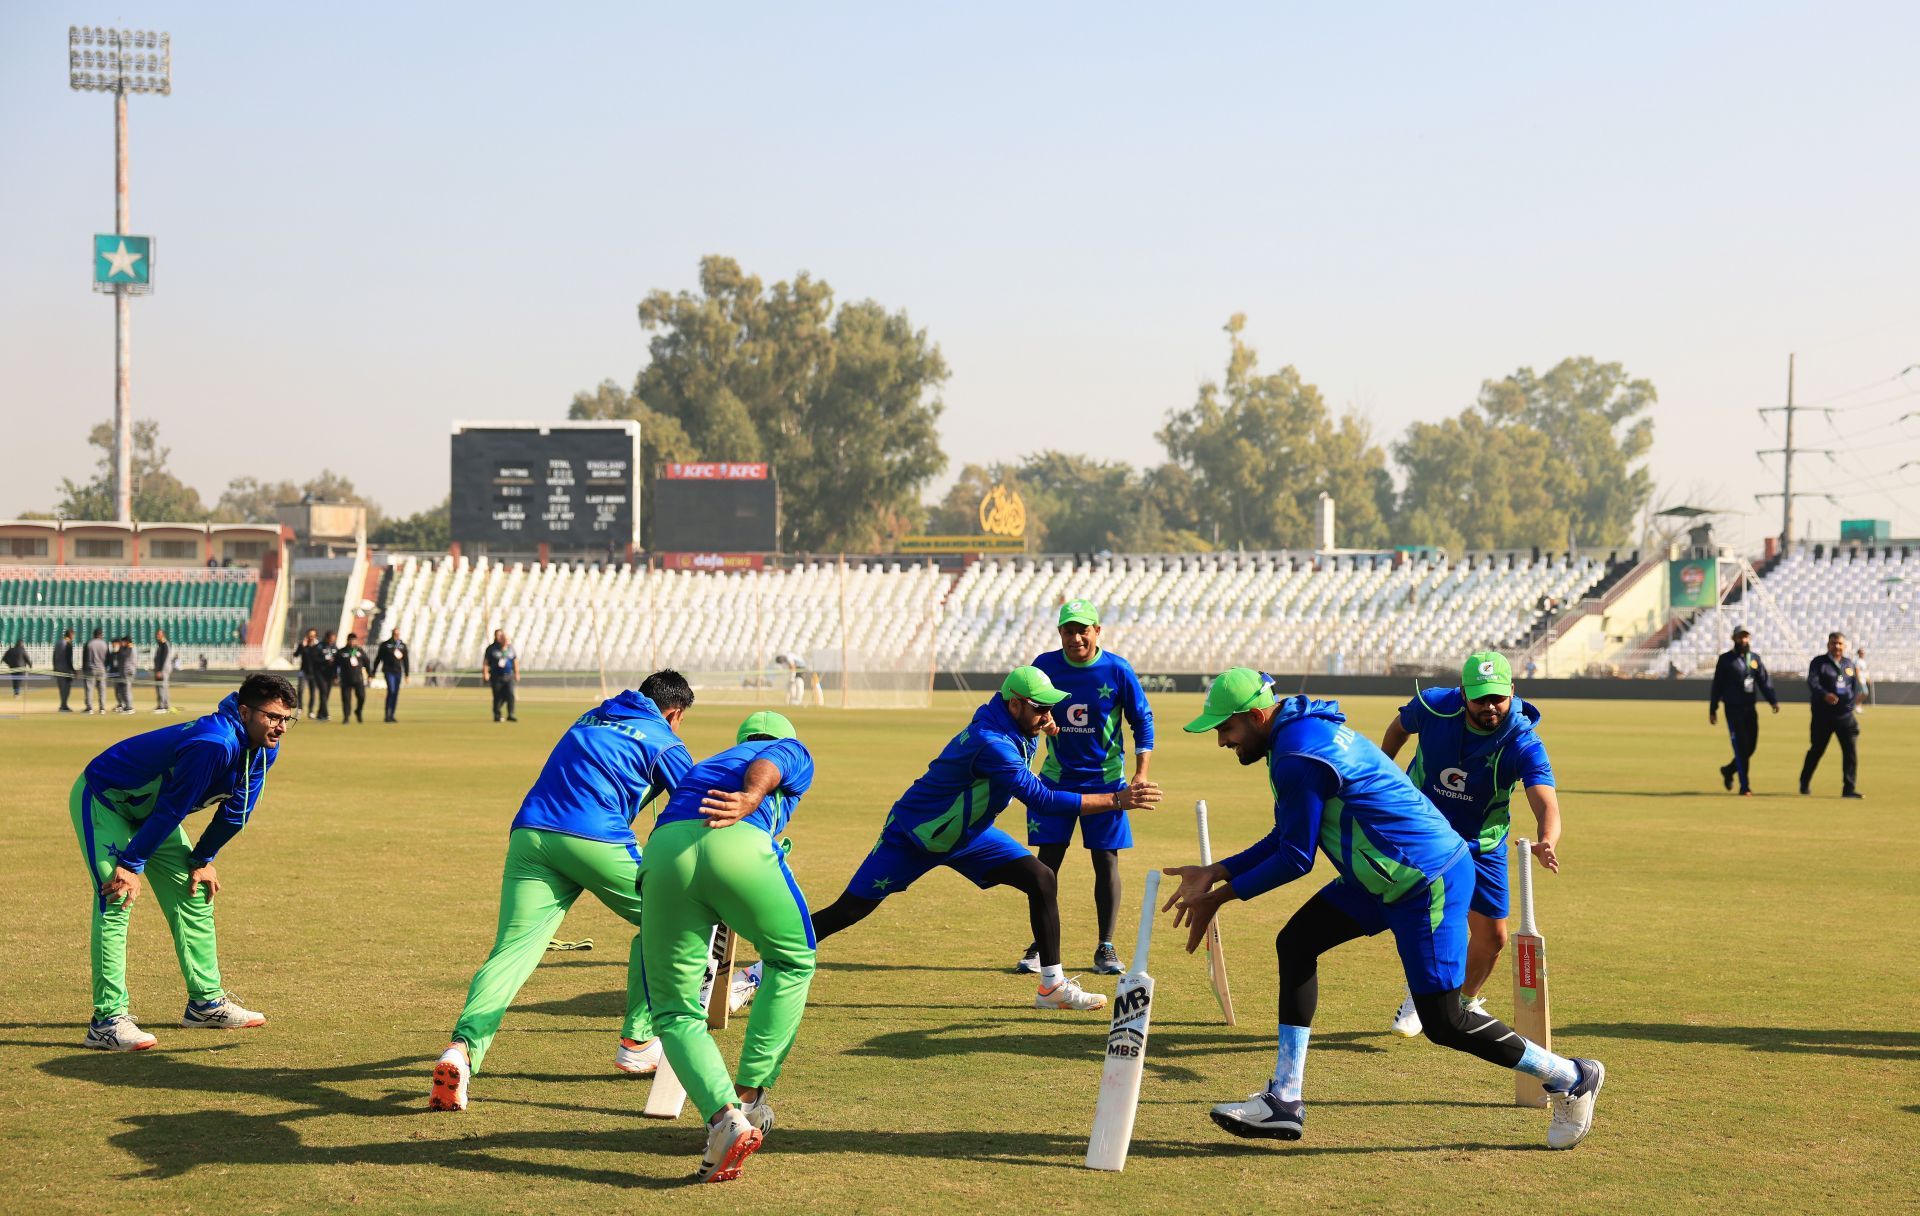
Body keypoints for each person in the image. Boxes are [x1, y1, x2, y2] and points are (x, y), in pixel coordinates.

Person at [1163, 668, 1604, 1150]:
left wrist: (1218, 900)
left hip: (1424, 879)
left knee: (1444, 1021)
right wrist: (1219, 870)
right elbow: (1289, 835)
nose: (1222, 741)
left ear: (1254, 716)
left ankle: (1572, 1076)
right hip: (1380, 876)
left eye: (1225, 729)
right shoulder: (1298, 735)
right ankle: (1285, 1100)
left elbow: (1295, 859)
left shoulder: (1296, 753)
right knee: (1297, 941)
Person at [807, 666, 1161, 1013]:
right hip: (916, 835)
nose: (1047, 715)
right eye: (1040, 708)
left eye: (1050, 707)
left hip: (968, 834)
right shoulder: (991, 743)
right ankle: (760, 972)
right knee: (847, 910)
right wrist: (1118, 800)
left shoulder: (1010, 720)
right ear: (1015, 705)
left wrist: (1041, 724)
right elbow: (1043, 800)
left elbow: (1026, 734)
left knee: (1041, 878)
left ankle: (1051, 986)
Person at [430, 671, 697, 1113]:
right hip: (594, 839)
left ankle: (460, 1050)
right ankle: (638, 1039)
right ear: (674, 713)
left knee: (511, 953)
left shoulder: (591, 716)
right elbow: (693, 800)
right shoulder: (663, 739)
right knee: (667, 920)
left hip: (530, 835)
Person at [70, 672, 298, 1050]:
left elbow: (236, 812)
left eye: (287, 719)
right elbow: (175, 806)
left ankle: (205, 1004)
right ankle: (106, 1022)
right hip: (106, 798)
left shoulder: (263, 747)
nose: (281, 728)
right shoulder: (215, 743)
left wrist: (202, 858)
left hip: (153, 814)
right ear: (244, 711)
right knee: (117, 896)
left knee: (194, 895)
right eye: (273, 717)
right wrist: (131, 864)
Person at [640, 710, 818, 1183]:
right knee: (792, 960)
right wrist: (752, 796)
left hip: (663, 854)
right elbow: (774, 761)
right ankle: (749, 1098)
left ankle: (724, 1121)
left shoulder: (709, 762)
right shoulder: (788, 749)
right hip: (739, 845)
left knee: (675, 1011)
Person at [1377, 651, 1559, 1037]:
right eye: (1480, 698)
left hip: (1482, 842)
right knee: (1432, 917)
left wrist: (1547, 839)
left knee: (1493, 937)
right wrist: (1379, 771)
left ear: (1512, 691)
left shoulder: (1523, 741)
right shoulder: (1433, 706)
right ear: (1463, 694)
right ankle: (1422, 993)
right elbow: (1398, 729)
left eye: (1497, 697)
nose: (1489, 706)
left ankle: (1460, 1001)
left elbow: (1545, 800)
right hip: (1423, 830)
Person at [1016, 599, 1154, 976]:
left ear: (1097, 631)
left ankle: (1106, 946)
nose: (1075, 637)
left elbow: (1142, 721)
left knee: (1106, 860)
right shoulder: (1044, 666)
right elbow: (1025, 711)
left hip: (1106, 780)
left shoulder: (1117, 669)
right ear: (1059, 632)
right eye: (1068, 630)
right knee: (1045, 865)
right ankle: (1040, 946)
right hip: (1057, 780)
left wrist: (1141, 773)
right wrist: (1043, 722)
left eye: (1083, 630)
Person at [1708, 625, 1779, 796]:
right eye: (1740, 637)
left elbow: (1763, 681)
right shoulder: (1725, 659)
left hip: (1750, 708)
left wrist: (1772, 700)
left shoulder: (1754, 658)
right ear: (1734, 639)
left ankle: (1728, 770)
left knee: (1751, 747)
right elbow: (1717, 685)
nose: (1744, 640)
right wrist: (1713, 708)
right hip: (1733, 709)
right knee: (1740, 747)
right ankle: (1744, 786)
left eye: (1746, 637)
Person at [1800, 631, 1863, 798]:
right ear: (1828, 645)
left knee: (1850, 752)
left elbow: (1854, 687)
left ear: (1845, 646)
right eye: (1834, 643)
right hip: (1823, 716)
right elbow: (1812, 682)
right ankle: (1804, 781)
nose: (1837, 646)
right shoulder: (1819, 663)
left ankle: (1849, 789)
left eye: (1840, 643)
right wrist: (1824, 694)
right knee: (1817, 750)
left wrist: (1850, 707)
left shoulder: (1848, 664)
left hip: (1845, 717)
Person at [373, 627, 411, 722]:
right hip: (388, 671)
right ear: (392, 634)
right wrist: (373, 672)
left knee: (395, 693)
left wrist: (407, 674)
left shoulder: (402, 646)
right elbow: (378, 659)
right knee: (391, 690)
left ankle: (392, 715)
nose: (396, 636)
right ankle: (387, 714)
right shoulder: (385, 645)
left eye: (398, 634)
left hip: (398, 671)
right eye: (395, 634)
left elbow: (406, 661)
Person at [334, 632, 370, 725]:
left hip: (358, 679)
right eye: (351, 640)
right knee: (346, 699)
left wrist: (370, 674)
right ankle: (346, 717)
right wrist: (335, 677)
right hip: (345, 679)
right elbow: (335, 665)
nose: (352, 642)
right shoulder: (341, 652)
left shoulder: (360, 651)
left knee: (362, 697)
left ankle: (358, 711)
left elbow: (367, 662)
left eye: (354, 640)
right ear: (348, 641)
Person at [483, 629, 518, 722]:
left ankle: (511, 714)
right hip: (496, 676)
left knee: (510, 694)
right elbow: (486, 662)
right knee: (498, 696)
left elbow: (515, 661)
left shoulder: (511, 648)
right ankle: (497, 715)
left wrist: (516, 673)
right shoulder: (491, 648)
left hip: (508, 676)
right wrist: (485, 673)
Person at [312, 630, 339, 721]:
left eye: (333, 639)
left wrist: (336, 675)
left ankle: (320, 714)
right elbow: (314, 659)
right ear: (327, 638)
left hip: (330, 674)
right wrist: (325, 660)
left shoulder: (334, 647)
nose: (332, 641)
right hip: (320, 673)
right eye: (331, 639)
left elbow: (337, 659)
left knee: (326, 694)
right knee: (323, 692)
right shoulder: (319, 646)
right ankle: (326, 714)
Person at [293, 628, 321, 716]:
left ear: (315, 636)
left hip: (314, 673)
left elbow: (317, 656)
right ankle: (300, 709)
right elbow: (296, 655)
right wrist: (303, 646)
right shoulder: (303, 644)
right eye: (309, 635)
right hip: (303, 672)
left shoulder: (318, 646)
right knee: (300, 691)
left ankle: (311, 711)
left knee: (313, 692)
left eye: (312, 635)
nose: (311, 637)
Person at [83, 627, 109, 715]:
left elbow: (85, 657)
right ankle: (102, 708)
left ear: (93, 635)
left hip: (90, 669)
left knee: (89, 689)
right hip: (101, 669)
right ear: (101, 635)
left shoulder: (89, 643)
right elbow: (108, 657)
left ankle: (89, 708)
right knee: (102, 689)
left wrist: (84, 669)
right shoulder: (104, 644)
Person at [53, 627, 77, 712]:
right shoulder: (68, 644)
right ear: (70, 635)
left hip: (58, 668)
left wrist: (54, 667)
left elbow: (54, 655)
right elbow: (68, 658)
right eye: (73, 635)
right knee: (66, 688)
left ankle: (63, 705)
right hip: (66, 669)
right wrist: (73, 670)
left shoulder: (58, 643)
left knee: (61, 688)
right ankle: (64, 705)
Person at [152, 628, 174, 714]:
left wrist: (160, 671)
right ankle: (161, 705)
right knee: (160, 687)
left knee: (162, 687)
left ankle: (164, 706)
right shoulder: (160, 645)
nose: (157, 636)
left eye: (159, 634)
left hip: (163, 670)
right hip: (159, 669)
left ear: (163, 635)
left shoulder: (165, 645)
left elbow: (164, 659)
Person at [114, 637, 138, 714]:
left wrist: (120, 648)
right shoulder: (129, 648)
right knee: (124, 689)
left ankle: (129, 707)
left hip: (128, 671)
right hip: (127, 671)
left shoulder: (130, 648)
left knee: (127, 690)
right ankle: (126, 706)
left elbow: (124, 655)